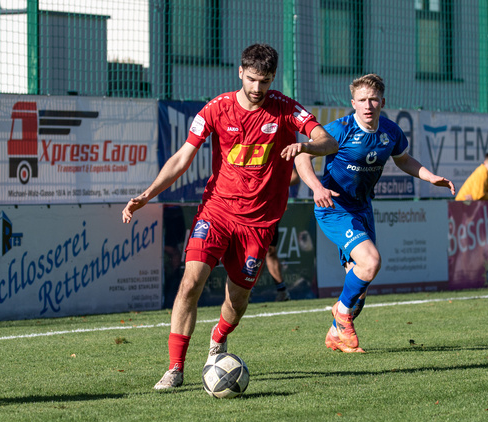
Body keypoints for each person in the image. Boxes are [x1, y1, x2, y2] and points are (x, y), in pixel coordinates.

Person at [122, 43, 338, 390]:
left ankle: (219, 337)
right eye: (251, 79)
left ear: (272, 79)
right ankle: (175, 368)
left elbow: (328, 141)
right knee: (191, 282)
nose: (257, 88)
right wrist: (148, 195)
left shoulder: (285, 108)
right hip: (217, 210)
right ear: (240, 72)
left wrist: (306, 145)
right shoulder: (216, 109)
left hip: (259, 221)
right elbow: (182, 158)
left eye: (264, 81)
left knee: (236, 301)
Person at [294, 74, 455, 353]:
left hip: (362, 208)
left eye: (373, 99)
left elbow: (404, 159)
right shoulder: (340, 129)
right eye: (362, 100)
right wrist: (317, 187)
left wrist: (430, 177)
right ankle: (341, 314)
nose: (368, 105)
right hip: (334, 207)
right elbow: (302, 156)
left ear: (382, 101)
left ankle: (335, 334)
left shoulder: (390, 132)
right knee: (371, 262)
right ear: (353, 103)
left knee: (360, 290)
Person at [266, 168, 300, 302]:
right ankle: (245, 292)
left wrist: (269, 183)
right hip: (248, 206)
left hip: (271, 209)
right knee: (252, 250)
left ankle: (282, 291)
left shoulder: (278, 151)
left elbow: (295, 177)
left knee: (269, 251)